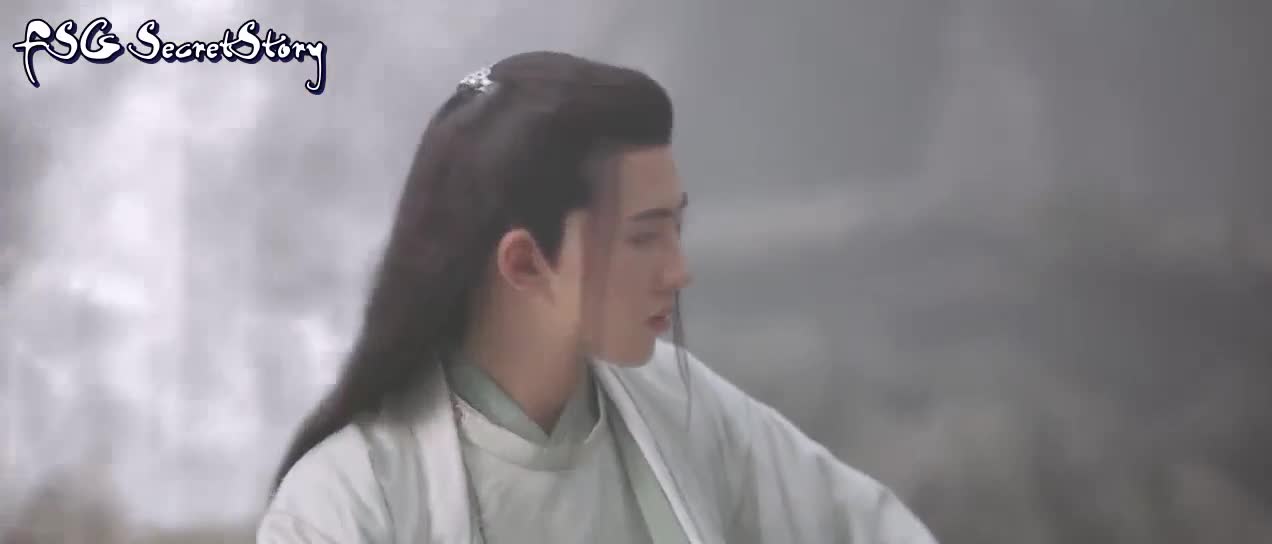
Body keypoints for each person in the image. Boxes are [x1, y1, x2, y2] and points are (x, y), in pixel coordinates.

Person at [257, 50, 937, 544]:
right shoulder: (347, 503)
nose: (679, 272)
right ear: (525, 262)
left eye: (676, 228)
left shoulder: (681, 406)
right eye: (644, 237)